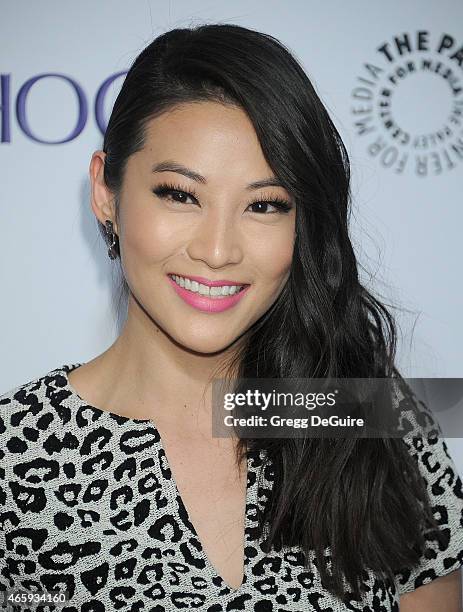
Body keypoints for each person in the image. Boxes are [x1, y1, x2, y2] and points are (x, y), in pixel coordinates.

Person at [1, 23, 462, 612]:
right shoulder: (16, 457)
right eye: (180, 194)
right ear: (106, 192)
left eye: (264, 205)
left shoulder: (363, 413)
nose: (218, 251)